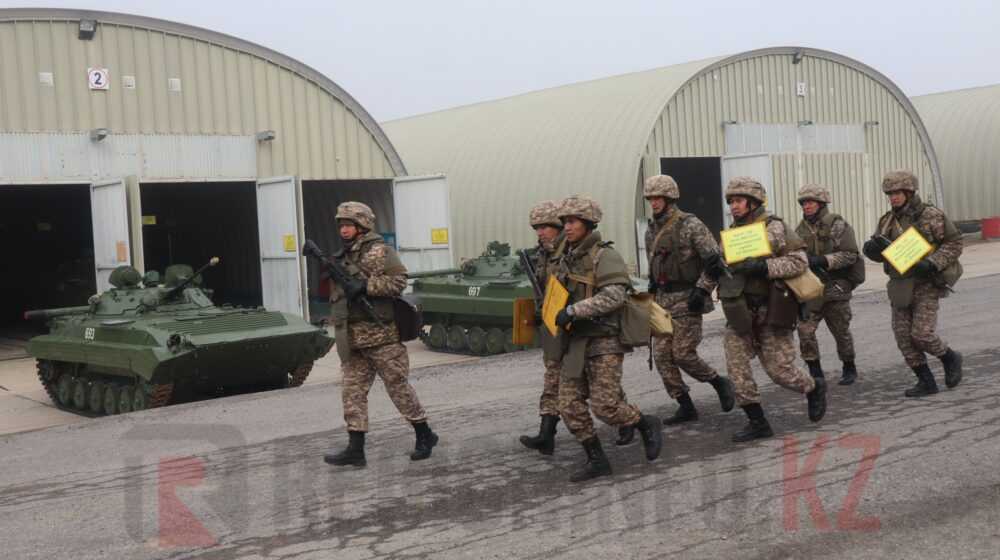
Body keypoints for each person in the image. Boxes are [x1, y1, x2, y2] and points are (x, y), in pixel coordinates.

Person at [552, 195, 663, 482]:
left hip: (604, 340)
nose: (567, 227)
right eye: (564, 222)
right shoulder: (566, 256)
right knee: (568, 405)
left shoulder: (604, 256)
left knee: (606, 406)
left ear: (588, 224)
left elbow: (614, 296)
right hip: (575, 341)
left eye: (573, 221)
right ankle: (597, 459)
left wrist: (573, 311)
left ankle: (645, 423)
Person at [323, 202, 438, 467]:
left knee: (398, 388)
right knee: (352, 393)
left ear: (362, 225)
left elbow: (399, 282)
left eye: (349, 225)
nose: (343, 230)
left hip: (382, 336)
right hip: (352, 338)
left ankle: (424, 434)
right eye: (341, 225)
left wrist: (365, 286)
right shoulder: (340, 257)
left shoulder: (381, 251)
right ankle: (356, 449)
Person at [718, 177, 827, 442]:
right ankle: (757, 422)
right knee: (736, 369)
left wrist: (764, 267)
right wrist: (703, 286)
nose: (734, 206)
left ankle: (813, 387)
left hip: (772, 310)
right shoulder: (732, 235)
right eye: (731, 202)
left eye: (739, 201)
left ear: (753, 202)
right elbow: (722, 266)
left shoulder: (774, 227)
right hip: (739, 312)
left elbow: (799, 263)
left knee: (780, 372)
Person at [862, 170, 964, 397]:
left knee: (922, 334)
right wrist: (872, 250)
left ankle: (950, 358)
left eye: (897, 193)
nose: (893, 198)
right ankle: (926, 381)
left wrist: (933, 263)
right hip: (900, 284)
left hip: (926, 282)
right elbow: (882, 251)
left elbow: (955, 242)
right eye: (890, 194)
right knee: (903, 338)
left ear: (909, 192)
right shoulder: (887, 221)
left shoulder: (930, 215)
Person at [642, 174, 734, 424]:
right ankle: (685, 404)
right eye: (650, 199)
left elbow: (714, 261)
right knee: (662, 356)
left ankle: (718, 382)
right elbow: (654, 263)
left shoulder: (691, 225)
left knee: (682, 353)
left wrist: (702, 290)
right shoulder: (651, 229)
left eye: (658, 198)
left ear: (670, 197)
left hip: (688, 297)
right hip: (663, 299)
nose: (654, 203)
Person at [794, 184, 865, 385]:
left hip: (835, 287)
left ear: (822, 203)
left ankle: (849, 366)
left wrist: (824, 261)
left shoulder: (837, 224)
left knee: (841, 332)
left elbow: (850, 255)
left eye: (811, 202)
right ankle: (815, 371)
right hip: (811, 290)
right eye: (804, 203)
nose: (806, 206)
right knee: (804, 331)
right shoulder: (799, 230)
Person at [519, 200, 566, 455]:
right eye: (536, 228)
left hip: (574, 322)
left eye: (544, 227)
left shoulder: (570, 250)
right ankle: (546, 434)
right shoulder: (542, 255)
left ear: (558, 226)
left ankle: (629, 421)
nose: (540, 232)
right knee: (552, 377)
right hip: (552, 324)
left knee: (596, 379)